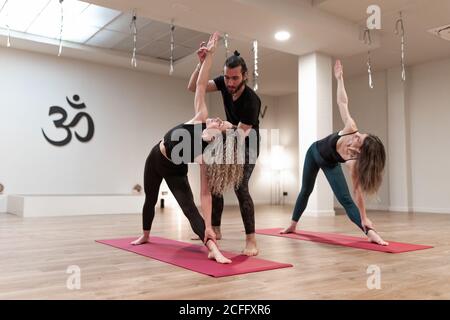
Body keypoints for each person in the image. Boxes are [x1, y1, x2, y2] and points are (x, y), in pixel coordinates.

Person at [131, 32, 244, 264]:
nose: (216, 119)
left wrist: (210, 226)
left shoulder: (205, 155)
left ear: (217, 136)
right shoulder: (200, 117)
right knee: (150, 198)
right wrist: (208, 58)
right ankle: (145, 235)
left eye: (219, 122)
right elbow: (201, 85)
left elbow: (205, 194)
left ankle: (212, 247)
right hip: (155, 157)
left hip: (175, 171)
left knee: (189, 208)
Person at [281, 60, 388, 246]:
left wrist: (364, 218)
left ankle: (370, 233)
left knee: (345, 199)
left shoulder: (353, 162)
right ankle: (292, 224)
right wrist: (339, 79)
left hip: (329, 163)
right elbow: (342, 102)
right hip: (313, 153)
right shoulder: (351, 128)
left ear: (361, 150)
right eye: (361, 135)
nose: (358, 135)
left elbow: (357, 193)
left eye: (360, 139)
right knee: (306, 190)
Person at [188, 46, 261, 256]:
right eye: (227, 77)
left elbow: (239, 136)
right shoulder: (223, 82)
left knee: (240, 187)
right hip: (227, 135)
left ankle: (251, 240)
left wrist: (224, 126)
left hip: (248, 143)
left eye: (235, 78)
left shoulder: (251, 101)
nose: (229, 83)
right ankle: (216, 229)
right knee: (215, 182)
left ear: (244, 76)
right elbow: (195, 86)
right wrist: (201, 63)